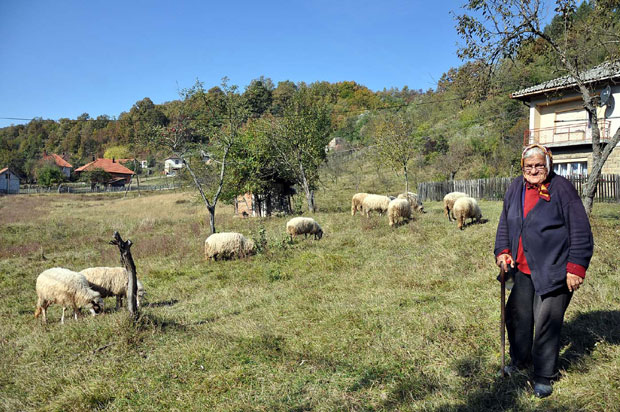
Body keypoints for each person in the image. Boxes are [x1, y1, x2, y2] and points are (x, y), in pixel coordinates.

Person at [494, 144, 594, 398]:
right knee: (517, 316)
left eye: (539, 165)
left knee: (547, 322)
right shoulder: (516, 187)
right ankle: (520, 361)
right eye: (529, 166)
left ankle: (543, 376)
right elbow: (505, 222)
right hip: (522, 269)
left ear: (548, 164)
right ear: (522, 167)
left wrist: (576, 267)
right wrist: (503, 250)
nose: (533, 170)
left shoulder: (562, 188)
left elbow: (580, 230)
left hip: (554, 269)